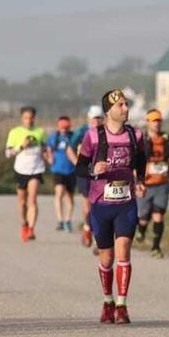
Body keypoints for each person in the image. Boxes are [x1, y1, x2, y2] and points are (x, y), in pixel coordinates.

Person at [75, 90, 145, 324]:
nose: (126, 109)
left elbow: (142, 160)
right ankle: (108, 300)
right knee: (106, 258)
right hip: (100, 204)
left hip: (126, 204)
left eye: (127, 105)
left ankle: (122, 305)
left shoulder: (135, 135)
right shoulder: (93, 136)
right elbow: (80, 167)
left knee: (124, 250)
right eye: (121, 106)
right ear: (108, 111)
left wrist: (141, 181)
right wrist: (93, 170)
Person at [134, 109, 169, 258]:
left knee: (158, 215)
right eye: (154, 120)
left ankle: (155, 247)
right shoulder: (140, 139)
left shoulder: (168, 139)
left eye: (159, 120)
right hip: (145, 184)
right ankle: (141, 230)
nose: (157, 123)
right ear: (147, 122)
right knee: (143, 216)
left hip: (162, 183)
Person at [4, 105, 48, 242]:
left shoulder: (40, 132)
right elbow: (7, 153)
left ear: (34, 118)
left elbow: (45, 149)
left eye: (31, 117)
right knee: (22, 203)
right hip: (21, 170)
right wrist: (21, 146)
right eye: (26, 118)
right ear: (22, 118)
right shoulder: (15, 132)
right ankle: (24, 224)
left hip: (36, 169)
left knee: (32, 199)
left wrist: (48, 156)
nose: (29, 120)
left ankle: (31, 229)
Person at [71, 104, 103, 249]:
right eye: (94, 118)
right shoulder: (81, 132)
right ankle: (87, 228)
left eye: (99, 118)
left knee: (99, 205)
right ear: (88, 118)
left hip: (101, 174)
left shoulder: (106, 132)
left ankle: (99, 237)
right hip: (85, 174)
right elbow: (69, 149)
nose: (96, 121)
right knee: (87, 207)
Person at [46, 116, 79, 232]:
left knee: (70, 197)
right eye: (62, 127)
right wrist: (49, 158)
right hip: (58, 170)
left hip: (71, 170)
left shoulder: (74, 137)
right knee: (59, 192)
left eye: (66, 127)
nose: (64, 129)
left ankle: (67, 220)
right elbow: (48, 149)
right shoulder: (53, 137)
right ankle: (60, 220)